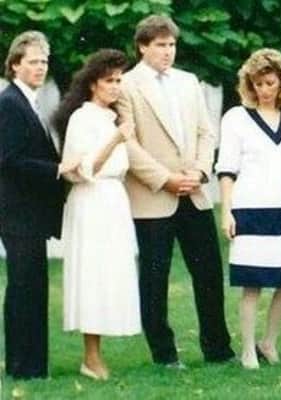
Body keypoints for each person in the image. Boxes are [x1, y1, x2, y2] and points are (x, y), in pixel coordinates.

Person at [116, 15, 235, 368]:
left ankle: (218, 348)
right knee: (155, 278)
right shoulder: (126, 85)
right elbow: (128, 144)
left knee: (209, 272)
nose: (168, 51)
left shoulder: (188, 81)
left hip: (194, 191)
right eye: (160, 45)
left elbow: (206, 132)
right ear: (142, 47)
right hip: (153, 196)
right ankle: (164, 354)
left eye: (171, 45)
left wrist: (199, 171)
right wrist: (166, 179)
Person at [51, 49, 141, 380]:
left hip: (114, 200)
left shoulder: (110, 117)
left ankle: (96, 353)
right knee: (93, 274)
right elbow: (83, 169)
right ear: (93, 84)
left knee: (110, 275)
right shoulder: (82, 118)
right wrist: (116, 139)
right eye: (109, 80)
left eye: (119, 80)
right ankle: (90, 356)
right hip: (91, 200)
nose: (115, 86)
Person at [216, 49, 281, 369]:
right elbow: (226, 169)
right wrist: (226, 212)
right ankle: (247, 350)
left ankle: (269, 342)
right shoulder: (236, 118)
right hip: (249, 207)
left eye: (270, 83)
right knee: (251, 283)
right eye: (257, 84)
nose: (264, 90)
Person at [0, 30, 77, 380]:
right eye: (33, 62)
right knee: (24, 288)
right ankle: (23, 366)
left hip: (30, 213)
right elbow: (9, 159)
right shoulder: (10, 103)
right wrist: (58, 169)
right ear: (15, 65)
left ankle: (32, 365)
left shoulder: (28, 101)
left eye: (44, 61)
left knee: (31, 287)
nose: (40, 68)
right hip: (18, 213)